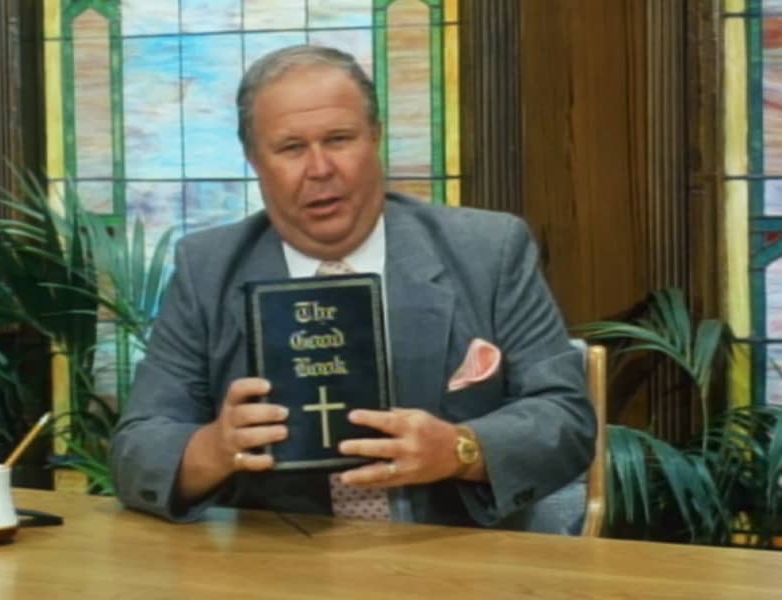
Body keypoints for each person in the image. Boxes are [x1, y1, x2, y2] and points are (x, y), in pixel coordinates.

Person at [110, 45, 595, 528]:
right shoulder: (208, 269)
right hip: (280, 564)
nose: (320, 169)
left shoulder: (488, 250)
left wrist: (458, 449)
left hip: (452, 554)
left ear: (375, 138)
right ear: (254, 159)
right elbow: (138, 449)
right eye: (291, 148)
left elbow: (565, 418)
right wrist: (212, 449)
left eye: (339, 139)